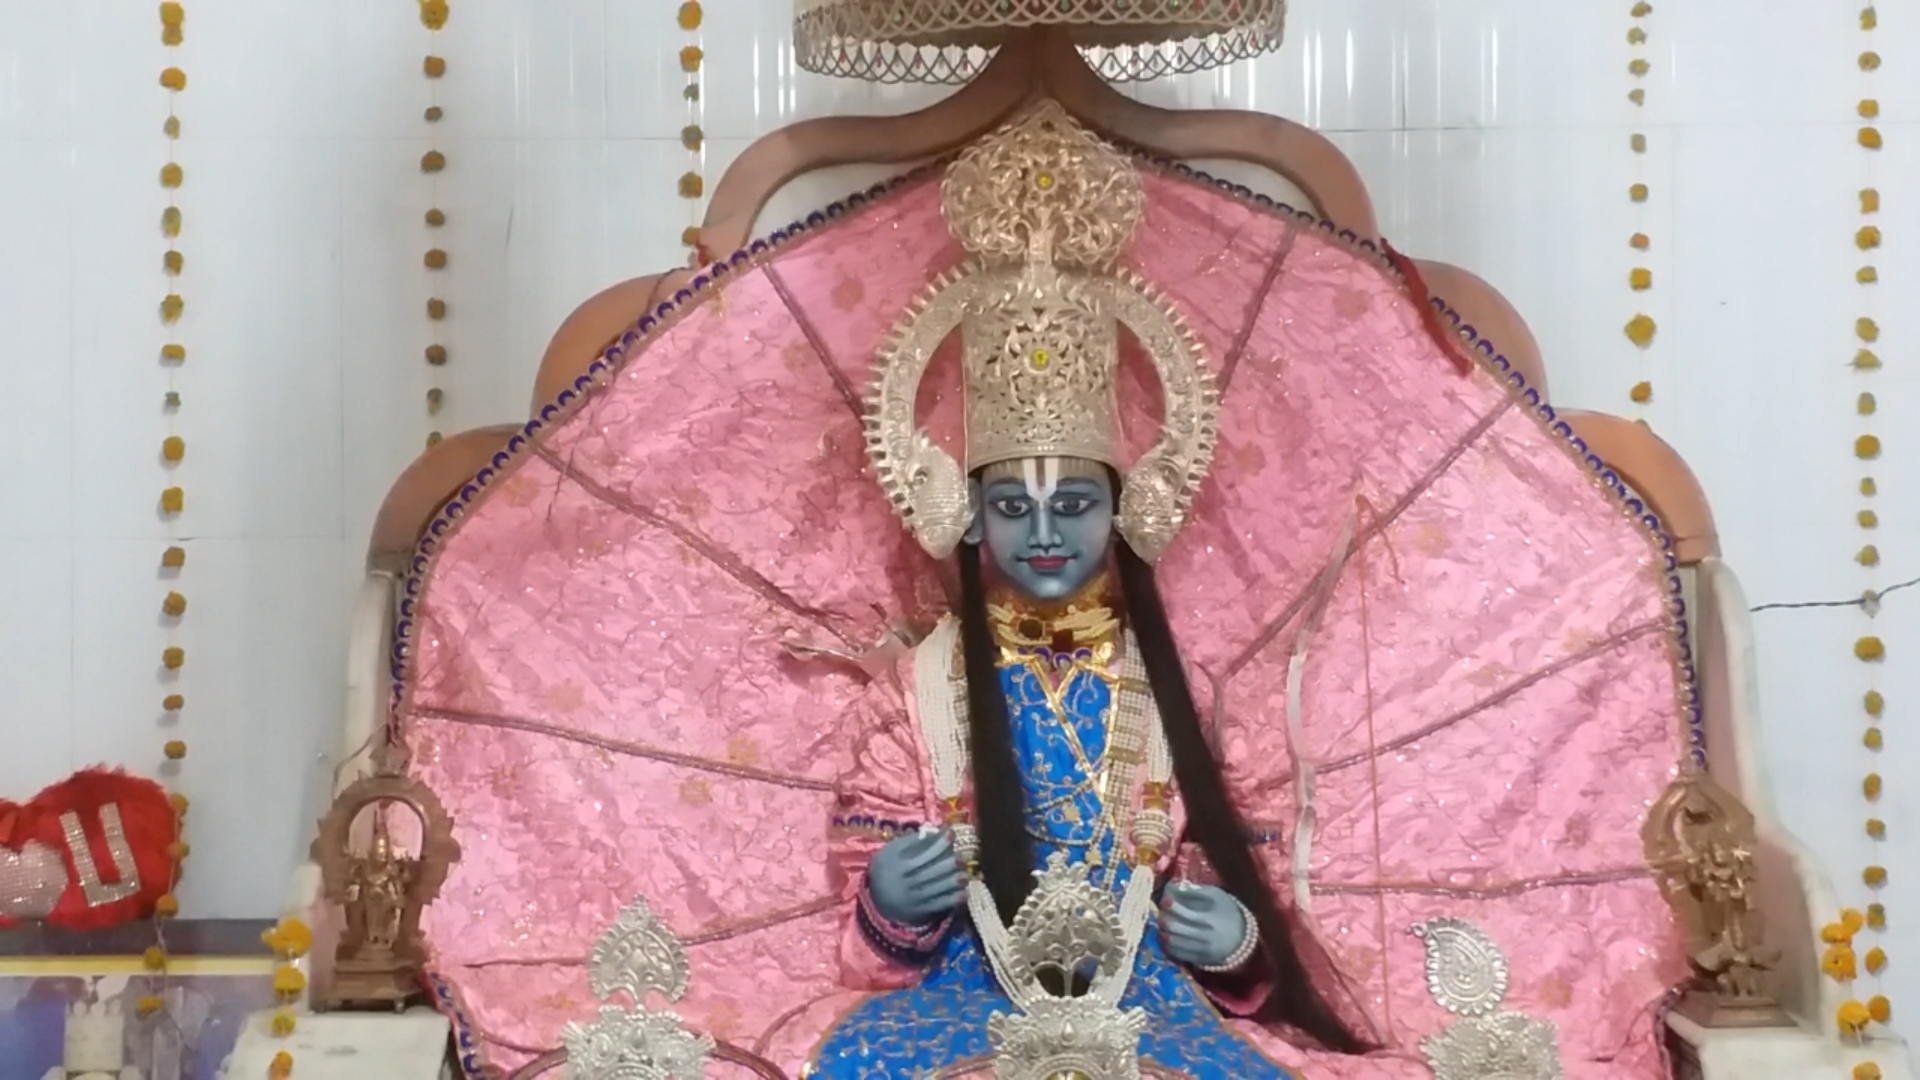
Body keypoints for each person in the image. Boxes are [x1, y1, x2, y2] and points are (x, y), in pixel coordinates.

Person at [807, 105, 1363, 1079]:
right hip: (968, 997)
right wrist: (891, 905)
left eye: (1073, 502)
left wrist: (1231, 945)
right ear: (970, 518)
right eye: (1013, 509)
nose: (1047, 533)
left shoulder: (1171, 685)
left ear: (1122, 508)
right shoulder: (918, 695)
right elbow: (865, 950)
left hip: (1144, 999)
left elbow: (1240, 900)